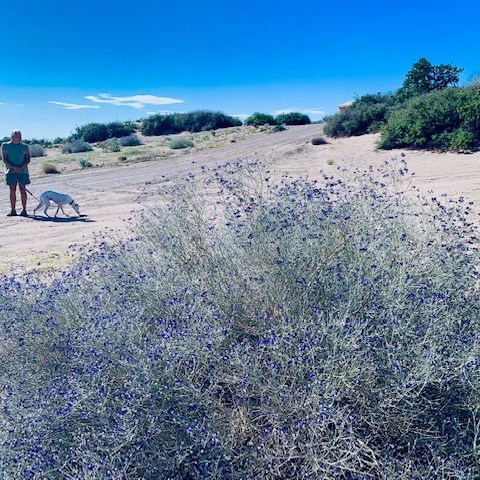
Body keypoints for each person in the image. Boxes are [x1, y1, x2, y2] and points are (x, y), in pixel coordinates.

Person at [2, 130, 31, 217]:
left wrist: (20, 168)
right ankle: (13, 210)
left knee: (23, 189)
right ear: (12, 137)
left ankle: (24, 210)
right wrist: (14, 167)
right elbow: (5, 159)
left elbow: (28, 159)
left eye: (20, 136)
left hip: (23, 172)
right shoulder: (5, 145)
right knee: (12, 190)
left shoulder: (25, 146)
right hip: (10, 171)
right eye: (17, 136)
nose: (19, 137)